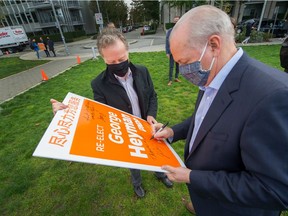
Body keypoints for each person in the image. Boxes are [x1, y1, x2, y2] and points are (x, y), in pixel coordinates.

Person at [152, 5, 288, 216]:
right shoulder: (213, 72)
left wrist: (191, 177)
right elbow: (208, 117)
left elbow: (274, 189)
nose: (182, 71)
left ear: (214, 45)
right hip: (210, 203)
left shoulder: (272, 98)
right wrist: (174, 132)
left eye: (185, 62)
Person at [50, 28, 173, 198]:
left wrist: (151, 114)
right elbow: (97, 113)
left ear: (128, 51)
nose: (118, 64)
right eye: (111, 61)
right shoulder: (98, 84)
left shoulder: (143, 71)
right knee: (134, 160)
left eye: (122, 59)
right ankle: (137, 183)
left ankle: (160, 174)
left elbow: (152, 95)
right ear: (103, 59)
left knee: (154, 154)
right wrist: (68, 111)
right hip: (125, 132)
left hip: (147, 125)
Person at [166, 16, 181, 86]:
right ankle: (170, 80)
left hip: (178, 51)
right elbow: (167, 42)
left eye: (177, 21)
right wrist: (167, 52)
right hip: (172, 51)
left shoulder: (182, 31)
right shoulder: (169, 31)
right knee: (171, 66)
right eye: (175, 21)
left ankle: (176, 77)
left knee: (178, 65)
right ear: (173, 22)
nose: (176, 22)